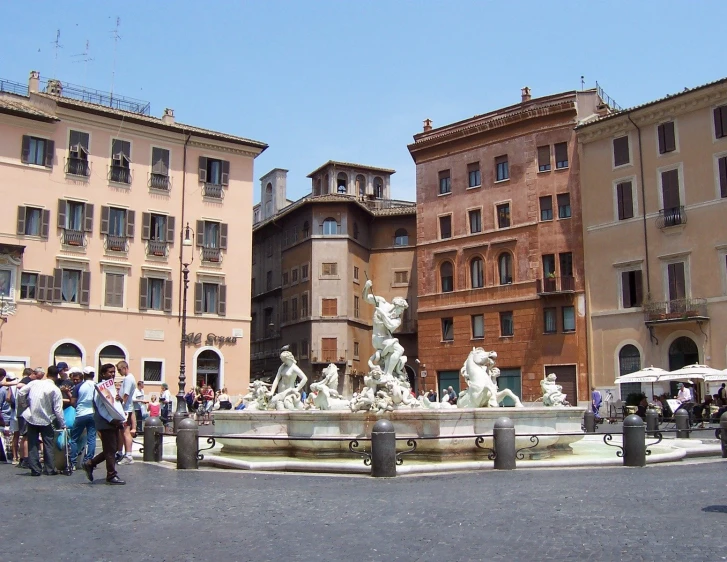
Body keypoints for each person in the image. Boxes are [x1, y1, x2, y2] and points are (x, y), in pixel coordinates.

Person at [16, 367, 66, 476]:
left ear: (47, 374)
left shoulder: (34, 383)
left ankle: (35, 469)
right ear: (57, 376)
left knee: (32, 443)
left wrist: (24, 404)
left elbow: (21, 392)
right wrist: (62, 424)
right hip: (46, 419)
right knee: (48, 443)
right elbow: (58, 409)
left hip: (31, 416)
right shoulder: (55, 389)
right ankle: (49, 469)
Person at [83, 363, 125, 485]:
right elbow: (100, 407)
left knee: (112, 448)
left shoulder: (111, 387)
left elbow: (113, 405)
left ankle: (90, 463)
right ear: (103, 374)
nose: (112, 374)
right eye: (109, 372)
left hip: (114, 421)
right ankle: (111, 475)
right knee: (111, 450)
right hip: (106, 421)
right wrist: (111, 420)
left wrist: (119, 400)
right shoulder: (99, 388)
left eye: (113, 372)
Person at [362, 279, 409, 381]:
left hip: (387, 339)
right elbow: (365, 298)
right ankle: (388, 374)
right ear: (397, 306)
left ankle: (389, 373)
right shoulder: (381, 302)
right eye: (401, 310)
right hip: (378, 339)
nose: (401, 313)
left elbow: (390, 326)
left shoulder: (397, 319)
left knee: (399, 350)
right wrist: (366, 287)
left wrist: (383, 315)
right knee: (399, 349)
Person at [70, 367, 96, 468]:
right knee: (91, 438)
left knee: (74, 438)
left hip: (81, 413)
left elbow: (73, 402)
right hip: (93, 413)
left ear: (84, 375)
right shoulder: (97, 386)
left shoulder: (79, 386)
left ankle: (73, 462)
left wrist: (78, 407)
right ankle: (88, 461)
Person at [0, 372, 18, 461]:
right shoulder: (3, 390)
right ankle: (10, 457)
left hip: (10, 416)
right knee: (7, 439)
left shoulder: (8, 389)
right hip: (5, 418)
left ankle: (12, 456)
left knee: (10, 438)